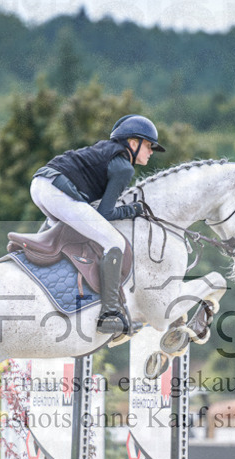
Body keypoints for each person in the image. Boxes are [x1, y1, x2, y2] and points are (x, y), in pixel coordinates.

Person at [30, 114, 164, 336]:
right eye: (149, 146)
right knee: (114, 242)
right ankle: (110, 315)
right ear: (133, 143)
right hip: (56, 190)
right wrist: (133, 210)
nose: (151, 152)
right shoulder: (123, 167)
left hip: (41, 184)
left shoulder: (109, 153)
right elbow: (106, 213)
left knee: (66, 236)